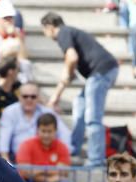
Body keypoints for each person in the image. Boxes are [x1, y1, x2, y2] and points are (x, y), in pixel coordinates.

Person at [40, 12, 119, 167]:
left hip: (101, 72)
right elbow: (69, 72)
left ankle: (96, 159)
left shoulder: (63, 32)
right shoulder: (70, 32)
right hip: (102, 71)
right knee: (80, 104)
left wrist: (56, 94)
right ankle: (73, 148)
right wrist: (56, 96)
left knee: (92, 117)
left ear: (49, 27)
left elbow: (72, 58)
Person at [15, 112, 71, 182]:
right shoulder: (26, 145)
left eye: (49, 131)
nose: (46, 135)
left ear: (55, 131)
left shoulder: (62, 147)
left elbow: (63, 171)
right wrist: (50, 177)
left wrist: (35, 171)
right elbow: (25, 171)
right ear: (37, 130)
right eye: (43, 131)